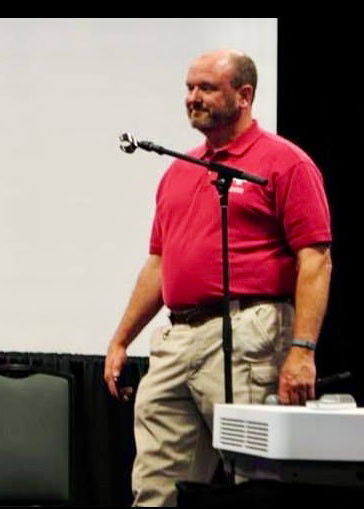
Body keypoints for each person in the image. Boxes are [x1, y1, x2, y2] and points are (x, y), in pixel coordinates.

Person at [103, 49, 332, 507]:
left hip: (249, 330)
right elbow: (160, 264)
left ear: (244, 95)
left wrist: (302, 351)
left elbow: (316, 259)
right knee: (155, 482)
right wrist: (122, 338)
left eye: (206, 88)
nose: (193, 98)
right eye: (189, 88)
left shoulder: (284, 163)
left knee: (253, 478)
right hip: (179, 336)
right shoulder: (178, 169)